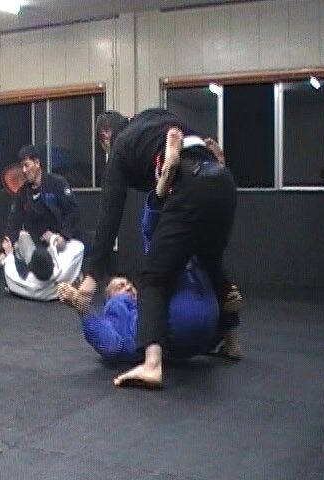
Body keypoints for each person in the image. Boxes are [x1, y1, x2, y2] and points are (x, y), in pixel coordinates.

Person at [73, 108, 242, 389]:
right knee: (209, 260)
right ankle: (232, 339)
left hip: (187, 181)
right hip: (222, 182)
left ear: (105, 136)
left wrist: (91, 278)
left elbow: (109, 216)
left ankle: (152, 365)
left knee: (152, 278)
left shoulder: (120, 147)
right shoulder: (154, 117)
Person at [59, 191, 219, 367]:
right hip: (183, 330)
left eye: (129, 285)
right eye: (120, 287)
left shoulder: (144, 304)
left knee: (179, 257)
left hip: (191, 334)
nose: (128, 287)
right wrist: (85, 312)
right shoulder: (117, 307)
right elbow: (113, 345)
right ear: (109, 298)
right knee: (164, 252)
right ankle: (163, 200)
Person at [0, 144, 84, 300]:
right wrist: (4, 251)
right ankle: (37, 275)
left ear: (37, 163)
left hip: (60, 241)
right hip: (39, 246)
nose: (24, 170)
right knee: (22, 238)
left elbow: (73, 213)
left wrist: (62, 236)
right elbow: (14, 222)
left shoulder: (57, 183)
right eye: (22, 167)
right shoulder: (23, 193)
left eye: (27, 165)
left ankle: (73, 276)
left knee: (76, 249)